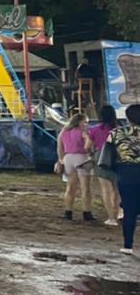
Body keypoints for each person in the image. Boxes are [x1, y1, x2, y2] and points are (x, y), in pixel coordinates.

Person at [104, 103, 140, 254]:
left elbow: (106, 157)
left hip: (126, 173)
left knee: (129, 209)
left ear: (127, 117)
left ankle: (128, 245)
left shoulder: (116, 133)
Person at [56, 110, 96, 223]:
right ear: (79, 122)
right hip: (82, 158)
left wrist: (61, 159)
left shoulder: (64, 131)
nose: (87, 124)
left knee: (70, 187)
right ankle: (87, 212)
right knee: (86, 188)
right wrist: (92, 153)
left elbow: (59, 147)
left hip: (68, 159)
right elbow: (89, 145)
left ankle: (68, 212)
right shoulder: (83, 132)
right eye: (85, 122)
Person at [90, 105, 123, 227]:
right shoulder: (119, 130)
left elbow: (88, 146)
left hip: (101, 157)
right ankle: (118, 212)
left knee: (105, 189)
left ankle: (111, 217)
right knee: (117, 189)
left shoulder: (95, 129)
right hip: (117, 157)